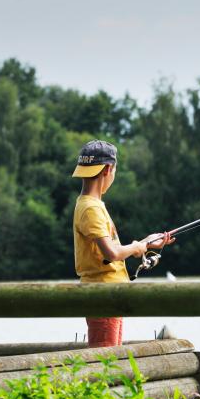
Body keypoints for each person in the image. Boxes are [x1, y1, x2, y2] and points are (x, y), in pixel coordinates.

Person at [72, 139, 174, 347]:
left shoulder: (91, 205)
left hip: (109, 295)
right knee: (106, 364)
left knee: (113, 359)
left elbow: (110, 250)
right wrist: (136, 247)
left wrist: (146, 242)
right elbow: (111, 253)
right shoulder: (91, 208)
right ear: (108, 169)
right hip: (103, 296)